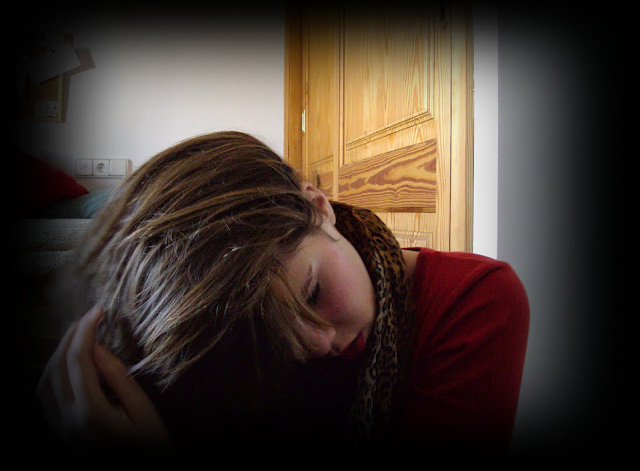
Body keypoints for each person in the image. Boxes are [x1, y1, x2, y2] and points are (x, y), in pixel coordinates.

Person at [37, 131, 529, 456]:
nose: (318, 344)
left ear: (317, 206)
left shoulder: (474, 300)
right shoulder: (209, 360)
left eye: (312, 293)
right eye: (269, 340)